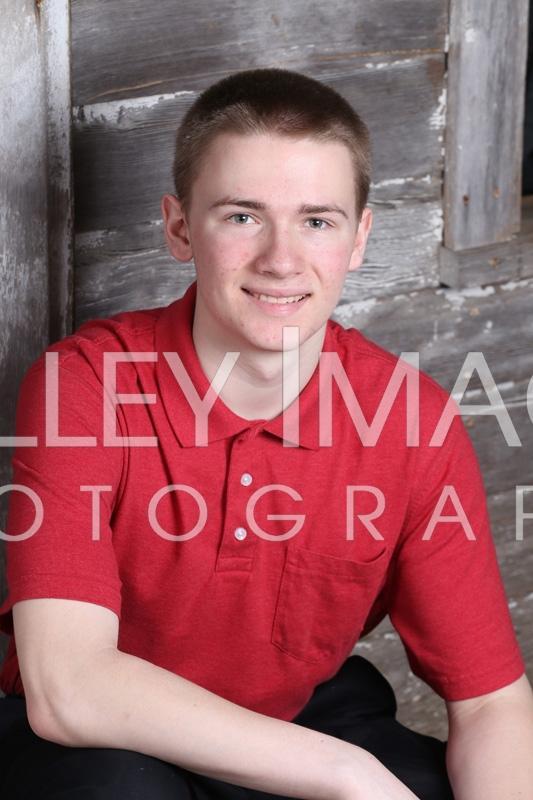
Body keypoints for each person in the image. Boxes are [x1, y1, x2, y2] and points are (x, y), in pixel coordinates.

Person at [0, 67, 531, 800]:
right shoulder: (86, 385)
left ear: (358, 239)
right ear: (180, 228)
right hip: (106, 737)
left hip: (292, 718)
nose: (281, 260)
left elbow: (492, 703)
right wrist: (347, 775)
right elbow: (69, 689)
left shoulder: (412, 422)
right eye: (242, 216)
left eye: (317, 221)